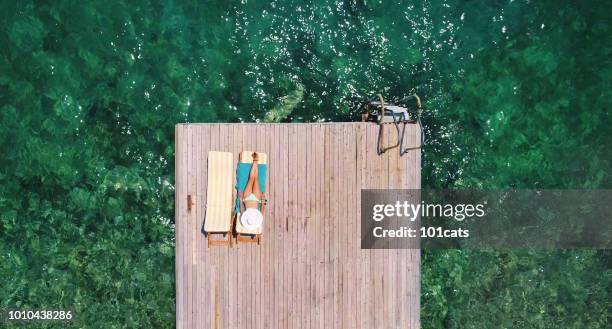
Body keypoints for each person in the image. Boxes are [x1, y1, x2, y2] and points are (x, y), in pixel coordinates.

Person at [239, 153, 265, 228]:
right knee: (255, 179)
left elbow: (241, 209)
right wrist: (263, 200)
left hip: (246, 198)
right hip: (256, 199)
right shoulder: (258, 218)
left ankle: (255, 160)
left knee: (251, 179)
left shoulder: (245, 218)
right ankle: (255, 160)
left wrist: (240, 198)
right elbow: (262, 209)